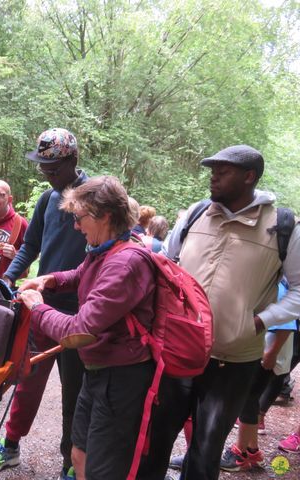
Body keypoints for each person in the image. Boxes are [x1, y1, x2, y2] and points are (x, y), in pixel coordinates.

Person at [138, 144, 300, 480]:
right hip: (179, 352)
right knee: (155, 439)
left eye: (222, 172)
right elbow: (168, 266)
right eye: (212, 171)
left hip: (234, 359)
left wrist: (259, 322)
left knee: (206, 449)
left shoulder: (283, 227)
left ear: (248, 177)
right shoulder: (196, 213)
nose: (213, 178)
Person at [19, 175, 156, 479]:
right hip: (97, 370)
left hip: (121, 377)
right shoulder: (107, 249)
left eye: (80, 218)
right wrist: (49, 280)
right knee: (79, 453)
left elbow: (78, 331)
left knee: (102, 466)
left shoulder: (126, 263)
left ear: (105, 215)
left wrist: (38, 306)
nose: (76, 226)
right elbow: (82, 273)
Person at [0, 128, 88, 480]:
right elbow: (31, 246)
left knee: (75, 389)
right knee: (27, 377)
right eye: (42, 167)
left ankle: (70, 462)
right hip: (41, 305)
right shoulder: (47, 200)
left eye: (54, 167)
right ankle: (11, 444)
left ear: (73, 160)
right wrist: (8, 277)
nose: (47, 173)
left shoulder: (93, 198)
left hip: (79, 312)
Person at [218, 280, 297, 472]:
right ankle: (252, 450)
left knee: (248, 401)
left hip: (266, 356)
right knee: (250, 401)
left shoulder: (279, 288)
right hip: (265, 353)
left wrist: (271, 353)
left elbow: (287, 324)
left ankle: (240, 454)